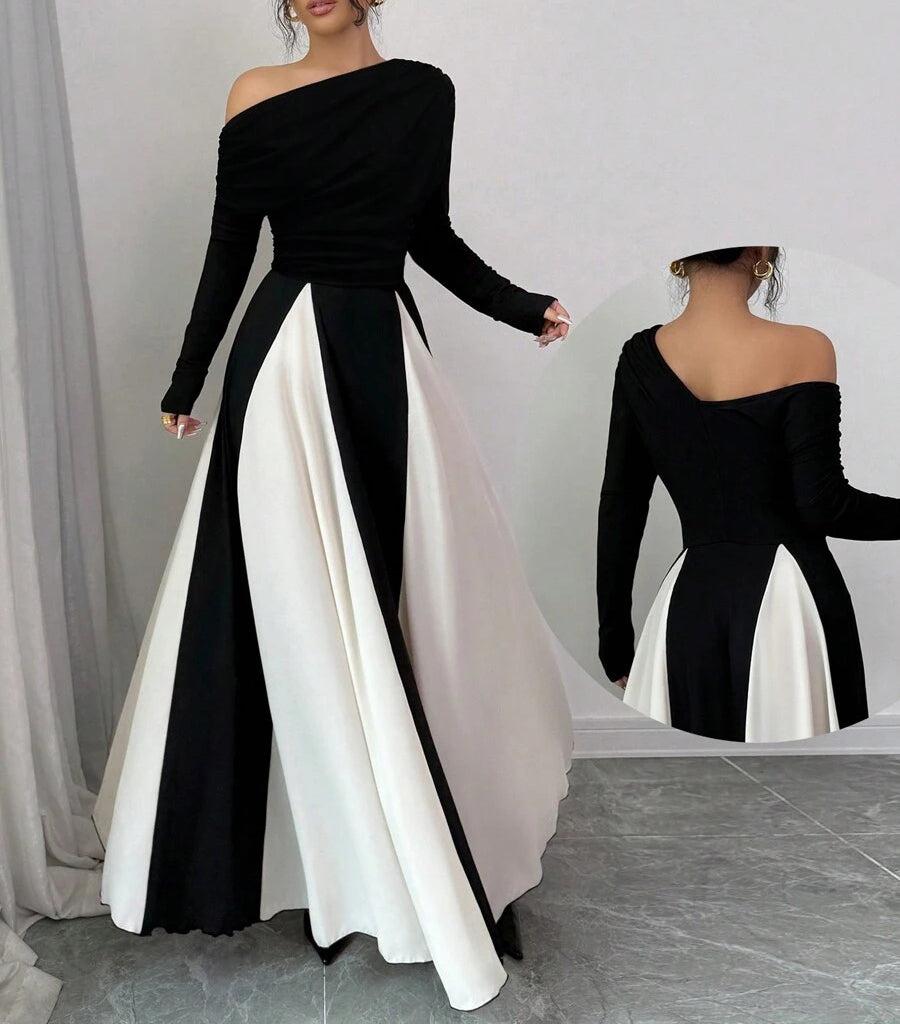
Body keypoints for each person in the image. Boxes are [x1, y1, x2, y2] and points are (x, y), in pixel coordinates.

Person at [93, 0, 573, 1011]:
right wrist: (188, 378)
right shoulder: (253, 94)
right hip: (284, 367)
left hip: (384, 357)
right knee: (299, 612)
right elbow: (230, 248)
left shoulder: (422, 92)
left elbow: (429, 235)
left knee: (412, 602)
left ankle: (426, 850)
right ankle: (330, 873)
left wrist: (520, 305)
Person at [596, 246, 900, 743]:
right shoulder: (805, 347)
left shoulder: (639, 358)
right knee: (802, 771)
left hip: (688, 603)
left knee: (702, 775)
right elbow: (825, 505)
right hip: (791, 598)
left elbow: (621, 505)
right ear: (761, 254)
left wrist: (614, 638)